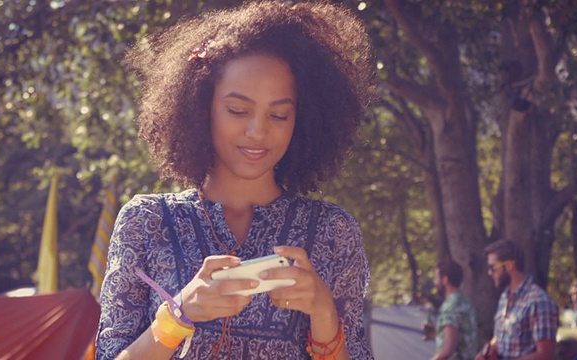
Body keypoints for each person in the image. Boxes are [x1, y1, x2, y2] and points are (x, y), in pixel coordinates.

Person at [94, 1, 375, 359]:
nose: (258, 131)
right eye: (238, 110)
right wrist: (178, 315)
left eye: (279, 114)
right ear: (200, 105)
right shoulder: (146, 222)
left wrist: (323, 313)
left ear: (301, 119)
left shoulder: (334, 232)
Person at [476, 240, 558, 360]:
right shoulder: (504, 298)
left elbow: (545, 355)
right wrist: (487, 353)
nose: (489, 273)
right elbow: (501, 337)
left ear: (509, 265)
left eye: (492, 267)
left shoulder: (538, 302)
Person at [431, 259, 478, 360]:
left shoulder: (449, 307)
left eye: (436, 278)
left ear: (445, 280)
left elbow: (448, 349)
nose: (435, 282)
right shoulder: (466, 303)